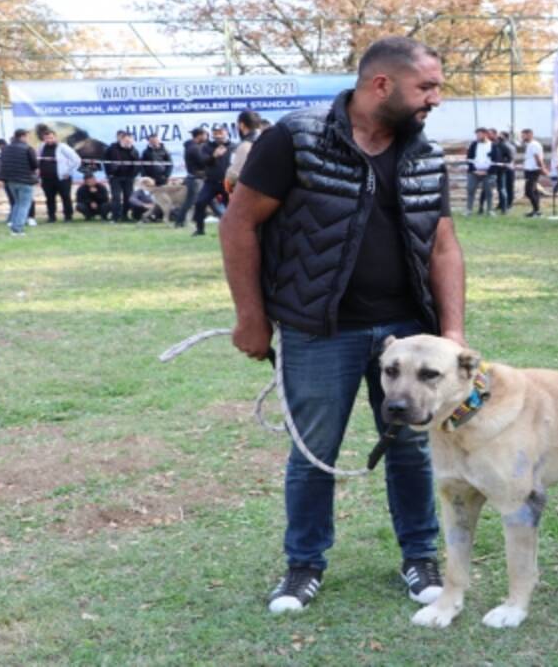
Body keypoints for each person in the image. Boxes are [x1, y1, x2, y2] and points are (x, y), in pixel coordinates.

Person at [220, 35, 460, 614]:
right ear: (382, 84)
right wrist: (252, 318)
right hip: (316, 329)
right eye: (426, 86)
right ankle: (303, 565)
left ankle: (420, 556)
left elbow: (444, 246)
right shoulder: (296, 137)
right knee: (313, 452)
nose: (435, 99)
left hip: (407, 328)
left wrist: (451, 333)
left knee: (411, 448)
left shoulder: (425, 153)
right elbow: (239, 224)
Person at [191, 126, 233, 236]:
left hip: (227, 182)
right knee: (200, 202)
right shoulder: (207, 147)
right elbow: (204, 161)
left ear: (226, 133)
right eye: (215, 133)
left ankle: (232, 230)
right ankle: (200, 230)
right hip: (211, 182)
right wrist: (214, 156)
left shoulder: (233, 146)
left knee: (231, 206)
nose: (218, 135)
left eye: (220, 132)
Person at [0, 129, 39, 237]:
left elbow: (2, 163)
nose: (28, 139)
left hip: (10, 180)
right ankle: (17, 229)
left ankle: (13, 224)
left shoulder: (5, 148)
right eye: (27, 136)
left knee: (17, 203)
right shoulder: (28, 148)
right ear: (23, 136)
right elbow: (35, 164)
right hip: (25, 180)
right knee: (24, 205)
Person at [38, 128, 80, 222]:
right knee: (49, 198)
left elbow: (76, 160)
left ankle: (68, 217)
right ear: (43, 139)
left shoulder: (63, 147)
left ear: (55, 137)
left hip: (62, 178)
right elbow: (38, 160)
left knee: (65, 197)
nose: (49, 140)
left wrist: (68, 172)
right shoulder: (41, 147)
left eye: (51, 138)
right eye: (46, 138)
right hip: (46, 179)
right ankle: (51, 217)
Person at [103, 131, 139, 222]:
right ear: (121, 139)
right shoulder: (112, 148)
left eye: (130, 141)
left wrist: (134, 175)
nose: (128, 142)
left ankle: (125, 215)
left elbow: (138, 164)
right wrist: (109, 174)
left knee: (128, 197)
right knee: (116, 197)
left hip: (129, 177)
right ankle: (115, 217)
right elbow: (105, 162)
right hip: (115, 177)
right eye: (126, 140)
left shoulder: (134, 150)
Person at [176, 128, 208, 227]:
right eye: (205, 135)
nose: (207, 137)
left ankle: (222, 216)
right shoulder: (194, 148)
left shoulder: (193, 147)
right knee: (190, 201)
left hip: (197, 178)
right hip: (196, 179)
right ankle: (179, 221)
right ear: (199, 136)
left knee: (208, 200)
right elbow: (203, 162)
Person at [224, 111, 262, 194]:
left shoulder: (245, 145)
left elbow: (233, 176)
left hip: (250, 193)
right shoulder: (269, 140)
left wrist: (228, 183)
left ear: (242, 125)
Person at [464, 128, 494, 215]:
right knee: (470, 190)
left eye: (479, 134)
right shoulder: (473, 145)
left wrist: (487, 171)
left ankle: (490, 210)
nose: (477, 136)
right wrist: (474, 170)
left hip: (487, 173)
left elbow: (496, 160)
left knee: (489, 192)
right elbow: (469, 158)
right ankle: (468, 210)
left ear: (485, 134)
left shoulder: (493, 145)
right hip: (474, 172)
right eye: (477, 134)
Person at [520, 129, 544, 217]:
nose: (522, 137)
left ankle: (537, 210)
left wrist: (541, 168)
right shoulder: (529, 144)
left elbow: (537, 158)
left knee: (528, 191)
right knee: (534, 191)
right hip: (529, 170)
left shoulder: (534, 145)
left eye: (523, 135)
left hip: (533, 170)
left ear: (530, 135)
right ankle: (536, 210)